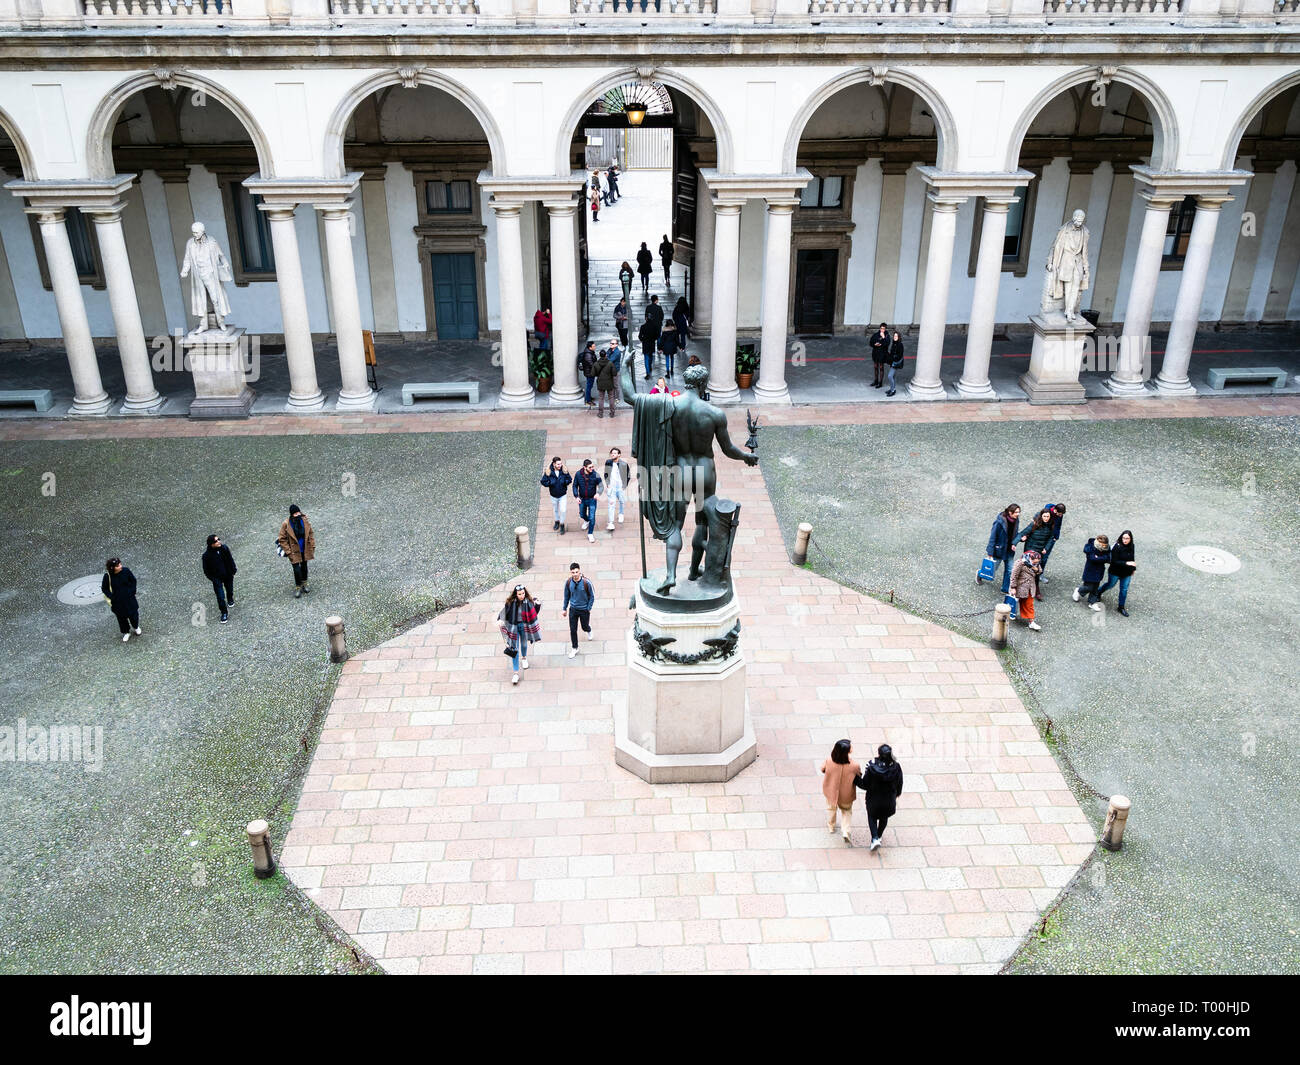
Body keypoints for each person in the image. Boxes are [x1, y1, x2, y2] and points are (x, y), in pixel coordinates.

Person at [856, 744, 904, 850]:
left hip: (874, 799)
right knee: (884, 817)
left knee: (872, 816)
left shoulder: (872, 767)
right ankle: (879, 835)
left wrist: (856, 778)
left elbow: (865, 784)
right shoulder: (896, 767)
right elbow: (899, 782)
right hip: (889, 799)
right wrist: (897, 794)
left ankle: (875, 838)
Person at [498, 584, 541, 685]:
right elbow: (503, 612)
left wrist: (537, 605)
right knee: (515, 650)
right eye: (519, 594)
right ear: (515, 594)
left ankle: (524, 658)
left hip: (525, 626)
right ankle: (516, 673)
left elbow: (534, 613)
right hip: (514, 627)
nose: (522, 595)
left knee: (524, 644)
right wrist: (500, 619)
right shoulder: (510, 603)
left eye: (523, 593)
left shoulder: (529, 602)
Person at [820, 739, 861, 845]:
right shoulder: (854, 765)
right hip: (846, 794)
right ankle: (845, 831)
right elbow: (859, 775)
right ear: (848, 751)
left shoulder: (829, 760)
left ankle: (831, 826)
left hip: (831, 791)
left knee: (831, 809)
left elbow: (822, 769)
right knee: (847, 812)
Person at [981, 503, 1021, 604]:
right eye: (1016, 512)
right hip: (999, 550)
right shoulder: (999, 522)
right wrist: (990, 552)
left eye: (1019, 512)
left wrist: (1017, 541)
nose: (1018, 514)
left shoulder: (1016, 520)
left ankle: (1005, 588)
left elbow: (1015, 534)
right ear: (1010, 512)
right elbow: (993, 537)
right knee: (992, 568)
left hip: (1009, 551)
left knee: (1010, 570)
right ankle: (980, 574)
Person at [277, 504, 315, 598]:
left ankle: (304, 584)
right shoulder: (286, 524)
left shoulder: (304, 520)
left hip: (304, 549)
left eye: (298, 512)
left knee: (304, 567)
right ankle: (298, 586)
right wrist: (288, 551)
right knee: (296, 570)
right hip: (293, 551)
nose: (298, 514)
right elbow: (282, 539)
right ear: (291, 514)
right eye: (295, 513)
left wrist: (312, 546)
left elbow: (310, 533)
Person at [101, 557, 141, 642]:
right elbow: (104, 588)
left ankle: (136, 626)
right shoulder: (108, 576)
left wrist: (132, 591)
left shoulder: (126, 571)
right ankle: (126, 632)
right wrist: (112, 597)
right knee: (121, 618)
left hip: (130, 599)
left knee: (134, 615)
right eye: (118, 565)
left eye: (120, 564)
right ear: (112, 568)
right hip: (118, 602)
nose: (120, 566)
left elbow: (133, 581)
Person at [1097, 530, 1136, 617]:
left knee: (1124, 589)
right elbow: (1114, 561)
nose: (1125, 540)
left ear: (1130, 539)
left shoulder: (1132, 546)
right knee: (1110, 585)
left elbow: (1132, 557)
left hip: (1127, 573)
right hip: (1115, 572)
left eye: (1127, 538)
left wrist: (1133, 568)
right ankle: (1098, 592)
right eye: (1124, 538)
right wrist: (1127, 563)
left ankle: (1121, 607)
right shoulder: (1117, 547)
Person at [561, 562, 596, 659]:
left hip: (584, 609)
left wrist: (588, 608)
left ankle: (588, 629)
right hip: (573, 609)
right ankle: (575, 647)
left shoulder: (586, 582)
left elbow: (592, 596)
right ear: (570, 573)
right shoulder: (568, 582)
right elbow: (566, 596)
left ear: (579, 571)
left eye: (576, 572)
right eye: (573, 572)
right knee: (573, 629)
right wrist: (564, 608)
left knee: (584, 626)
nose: (575, 574)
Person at [201, 533, 237, 625]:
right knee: (220, 597)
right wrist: (213, 579)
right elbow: (206, 570)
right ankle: (224, 612)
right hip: (217, 578)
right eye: (216, 541)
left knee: (229, 589)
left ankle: (230, 598)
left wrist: (233, 570)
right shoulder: (206, 556)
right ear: (211, 544)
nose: (219, 542)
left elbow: (230, 559)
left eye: (218, 539)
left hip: (228, 575)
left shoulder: (224, 548)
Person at [1073, 534, 1111, 611]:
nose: (1104, 547)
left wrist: (1099, 558)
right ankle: (1079, 590)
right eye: (1102, 545)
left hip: (1099, 571)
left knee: (1095, 588)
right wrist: (1102, 558)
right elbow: (1092, 558)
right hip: (1090, 570)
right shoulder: (1091, 547)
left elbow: (1108, 558)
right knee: (1088, 587)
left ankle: (1092, 602)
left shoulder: (1107, 548)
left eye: (1105, 545)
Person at [1010, 548, 1044, 631]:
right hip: (1019, 586)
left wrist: (1037, 570)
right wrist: (1013, 587)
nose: (1035, 564)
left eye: (1037, 562)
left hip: (1029, 587)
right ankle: (1008, 613)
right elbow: (1014, 575)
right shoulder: (1020, 563)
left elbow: (1039, 570)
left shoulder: (1035, 564)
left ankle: (1031, 621)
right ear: (1030, 558)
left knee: (1029, 604)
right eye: (1034, 562)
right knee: (1012, 602)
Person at [572, 458, 604, 543]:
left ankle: (590, 534)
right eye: (590, 467)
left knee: (592, 517)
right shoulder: (578, 474)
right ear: (584, 467)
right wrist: (576, 496)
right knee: (582, 514)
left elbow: (601, 486)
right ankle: (586, 521)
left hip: (592, 499)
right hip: (582, 499)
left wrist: (598, 493)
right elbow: (575, 485)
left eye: (593, 467)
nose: (592, 469)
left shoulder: (595, 474)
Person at [540, 456, 572, 534]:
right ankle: (557, 521)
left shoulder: (564, 470)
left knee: (563, 510)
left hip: (562, 495)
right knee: (556, 510)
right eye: (558, 464)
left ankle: (562, 524)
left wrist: (565, 482)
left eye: (560, 463)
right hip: (553, 495)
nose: (560, 465)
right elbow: (543, 481)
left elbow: (570, 479)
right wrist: (550, 483)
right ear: (554, 464)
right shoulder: (548, 471)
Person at [1037, 503, 1067, 581]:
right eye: (1059, 514)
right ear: (1055, 510)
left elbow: (1058, 525)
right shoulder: (1047, 513)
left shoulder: (1059, 515)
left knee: (1045, 557)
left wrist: (1056, 536)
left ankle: (1040, 573)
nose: (1060, 515)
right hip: (1043, 537)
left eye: (1061, 514)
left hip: (1052, 538)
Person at [603, 446, 630, 531]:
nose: (612, 454)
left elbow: (628, 475)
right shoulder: (608, 462)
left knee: (622, 501)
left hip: (620, 487)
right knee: (611, 504)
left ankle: (621, 513)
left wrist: (624, 485)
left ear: (619, 455)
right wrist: (607, 483)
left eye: (615, 453)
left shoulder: (624, 464)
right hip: (612, 487)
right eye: (612, 453)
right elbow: (606, 473)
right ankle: (611, 523)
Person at [595, 347, 617, 419]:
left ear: (600, 355)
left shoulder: (596, 364)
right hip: (609, 383)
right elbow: (614, 373)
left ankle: (600, 413)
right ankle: (612, 413)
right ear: (606, 355)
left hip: (600, 383)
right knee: (611, 397)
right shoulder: (610, 363)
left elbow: (592, 373)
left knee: (601, 398)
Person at [578, 340, 598, 407]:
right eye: (594, 346)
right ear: (590, 347)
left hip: (590, 372)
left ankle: (588, 397)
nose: (595, 347)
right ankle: (588, 401)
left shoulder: (590, 352)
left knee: (590, 386)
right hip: (589, 373)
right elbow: (592, 364)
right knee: (589, 386)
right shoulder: (588, 355)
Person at [869, 323, 889, 388]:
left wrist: (883, 337)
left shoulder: (887, 335)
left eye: (883, 328)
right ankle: (876, 381)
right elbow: (871, 342)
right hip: (875, 353)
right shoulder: (876, 335)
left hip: (882, 354)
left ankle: (880, 382)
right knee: (875, 367)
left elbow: (887, 343)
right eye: (881, 328)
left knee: (881, 367)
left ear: (885, 329)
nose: (882, 330)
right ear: (880, 328)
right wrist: (875, 344)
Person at [886, 330, 904, 397]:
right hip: (893, 362)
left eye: (896, 336)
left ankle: (893, 390)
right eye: (894, 336)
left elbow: (899, 355)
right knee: (893, 376)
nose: (895, 337)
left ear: (899, 337)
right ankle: (892, 389)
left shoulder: (900, 345)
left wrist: (892, 358)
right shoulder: (894, 343)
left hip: (895, 363)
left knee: (890, 376)